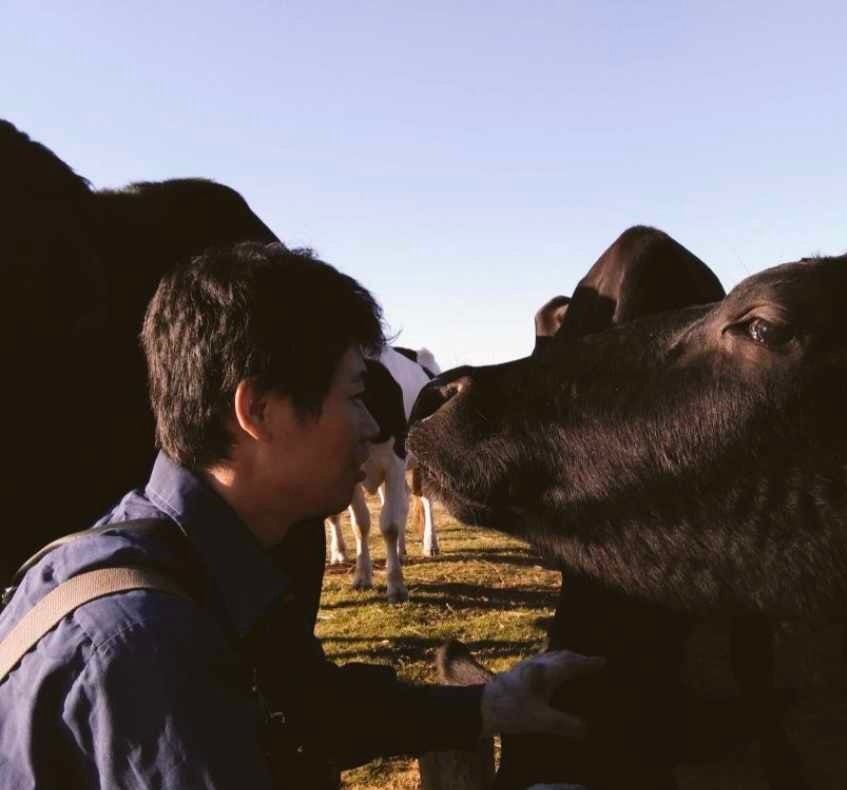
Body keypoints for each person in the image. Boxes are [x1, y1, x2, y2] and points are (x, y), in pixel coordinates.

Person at [0, 242, 601, 788]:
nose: (373, 426)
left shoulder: (190, 558)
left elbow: (310, 710)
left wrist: (488, 704)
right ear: (258, 411)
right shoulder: (149, 652)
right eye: (355, 395)